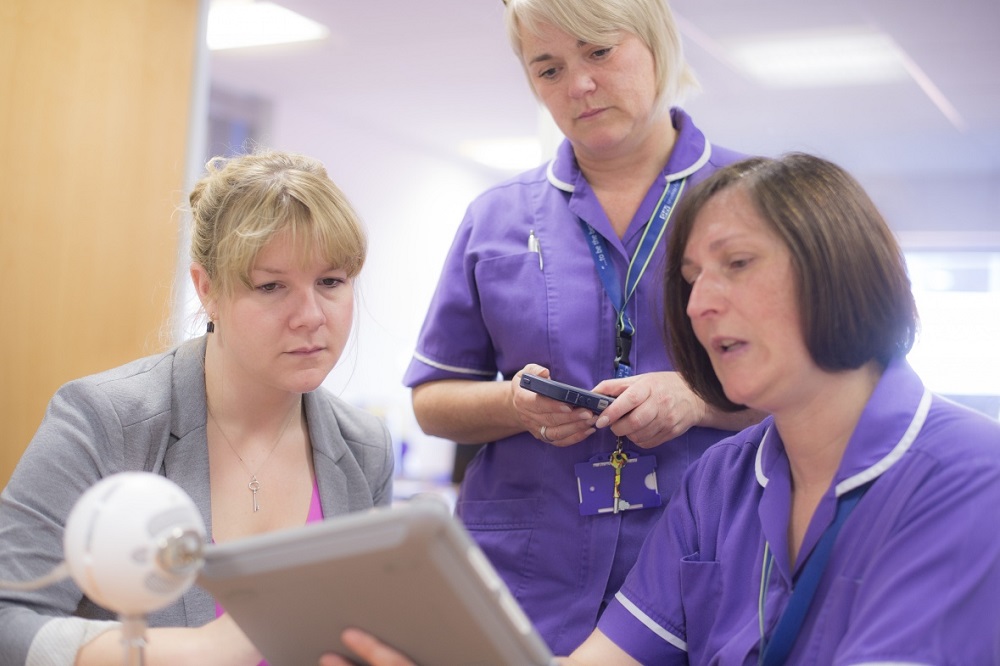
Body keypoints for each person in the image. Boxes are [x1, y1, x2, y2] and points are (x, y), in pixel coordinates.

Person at [323, 153, 1000, 665]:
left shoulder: (971, 475)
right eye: (690, 280)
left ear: (837, 265)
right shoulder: (723, 480)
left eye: (737, 263)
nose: (701, 304)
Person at [401, 0, 762, 653]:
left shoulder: (753, 199)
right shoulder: (496, 217)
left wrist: (696, 398)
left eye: (599, 51)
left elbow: (818, 384)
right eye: (549, 68)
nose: (579, 85)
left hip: (697, 566)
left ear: (657, 45)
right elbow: (432, 401)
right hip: (522, 577)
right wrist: (513, 405)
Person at [0, 150, 394, 665]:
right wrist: (199, 650)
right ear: (208, 290)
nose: (310, 316)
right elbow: (9, 617)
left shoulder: (364, 450)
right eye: (271, 286)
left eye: (331, 282)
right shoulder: (104, 420)